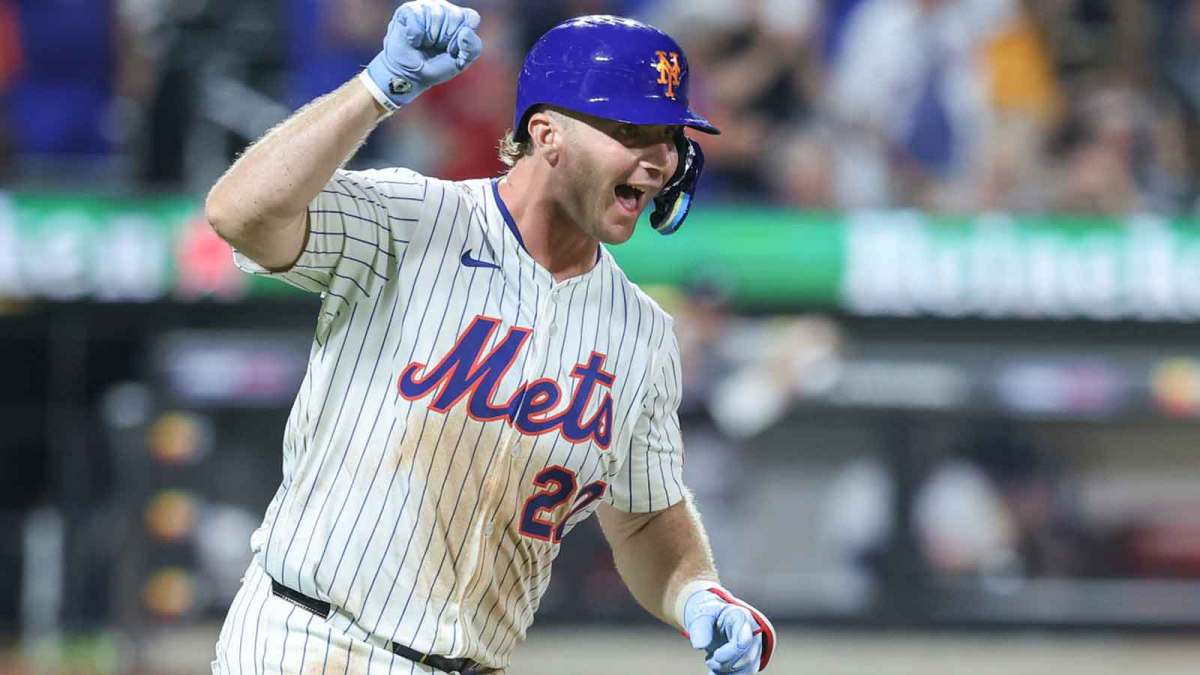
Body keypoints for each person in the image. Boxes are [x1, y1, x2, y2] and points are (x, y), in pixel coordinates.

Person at [204, 1, 775, 673]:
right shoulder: (413, 219)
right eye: (631, 131)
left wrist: (697, 592)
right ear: (547, 133)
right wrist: (376, 88)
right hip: (308, 639)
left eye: (669, 138)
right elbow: (239, 214)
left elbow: (647, 517)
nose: (658, 160)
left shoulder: (643, 334)